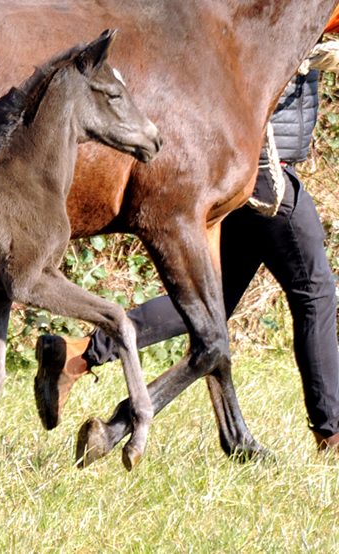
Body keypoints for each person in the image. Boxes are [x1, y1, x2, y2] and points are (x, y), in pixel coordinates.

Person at [34, 33, 339, 451]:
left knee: (214, 299)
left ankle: (79, 354)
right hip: (263, 169)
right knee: (314, 290)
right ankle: (332, 430)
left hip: (256, 166)